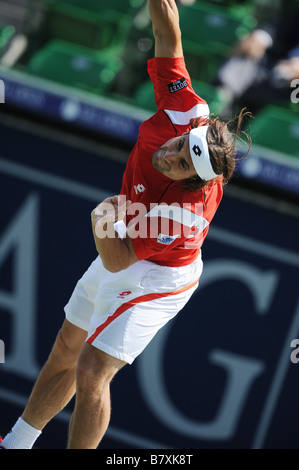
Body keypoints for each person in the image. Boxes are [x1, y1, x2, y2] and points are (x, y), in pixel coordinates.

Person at [0, 0, 250, 450]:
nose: (168, 155)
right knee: (65, 347)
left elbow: (117, 260)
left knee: (93, 370)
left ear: (191, 182)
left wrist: (102, 220)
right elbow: (168, 33)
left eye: (178, 164)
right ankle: (16, 443)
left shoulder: (184, 213)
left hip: (157, 275)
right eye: (178, 146)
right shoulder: (185, 111)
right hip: (128, 235)